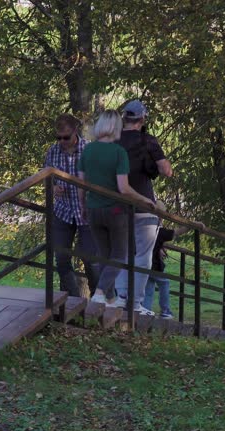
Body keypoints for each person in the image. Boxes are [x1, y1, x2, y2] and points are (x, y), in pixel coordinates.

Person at [78, 110, 155, 306]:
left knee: (105, 255)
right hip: (115, 211)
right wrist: (144, 200)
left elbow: (82, 183)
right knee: (120, 255)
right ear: (116, 127)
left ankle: (110, 297)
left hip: (93, 209)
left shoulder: (87, 150)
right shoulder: (118, 152)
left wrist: (83, 207)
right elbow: (124, 188)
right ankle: (100, 293)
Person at [113, 100, 173, 315]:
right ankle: (135, 302)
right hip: (143, 205)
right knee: (143, 256)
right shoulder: (148, 140)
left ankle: (121, 297)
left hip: (116, 205)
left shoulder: (112, 140)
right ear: (142, 119)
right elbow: (166, 170)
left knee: (122, 252)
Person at [43, 113, 99, 298]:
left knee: (90, 259)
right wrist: (53, 186)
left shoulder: (90, 150)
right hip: (63, 210)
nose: (62, 141)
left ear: (75, 132)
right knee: (61, 256)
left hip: (86, 210)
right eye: (58, 137)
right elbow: (45, 177)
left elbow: (101, 181)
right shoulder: (52, 151)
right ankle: (72, 300)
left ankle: (98, 298)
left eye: (66, 137)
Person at [142, 204, 200, 318]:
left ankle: (145, 310)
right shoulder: (158, 230)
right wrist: (191, 225)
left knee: (149, 287)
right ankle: (165, 310)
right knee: (164, 283)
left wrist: (159, 248)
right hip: (154, 265)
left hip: (143, 263)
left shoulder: (142, 226)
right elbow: (176, 232)